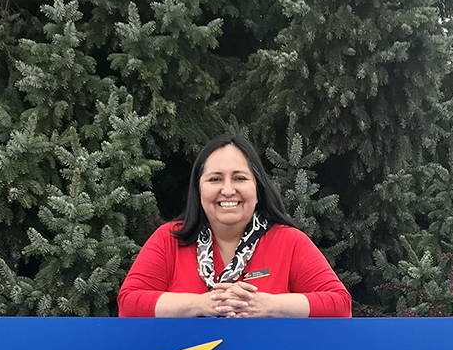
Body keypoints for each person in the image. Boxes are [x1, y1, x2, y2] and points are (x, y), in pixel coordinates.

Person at [117, 133, 351, 317]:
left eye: (239, 178)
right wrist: (202, 304)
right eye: (215, 179)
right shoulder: (169, 239)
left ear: (257, 188)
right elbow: (128, 304)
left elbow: (340, 306)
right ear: (198, 190)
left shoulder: (289, 241)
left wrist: (268, 305)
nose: (228, 190)